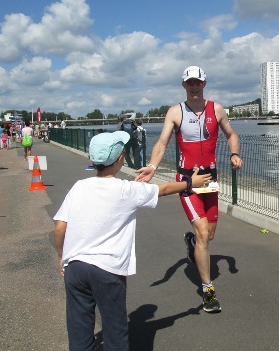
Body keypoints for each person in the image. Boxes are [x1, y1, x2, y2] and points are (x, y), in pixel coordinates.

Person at [53, 131, 211, 351]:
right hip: (107, 269)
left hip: (75, 267)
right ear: (119, 160)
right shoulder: (126, 189)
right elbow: (163, 189)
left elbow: (60, 227)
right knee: (115, 330)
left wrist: (62, 257)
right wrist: (190, 182)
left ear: (93, 161)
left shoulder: (79, 187)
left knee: (79, 328)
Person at [135, 65, 243, 313]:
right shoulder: (175, 112)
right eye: (189, 82)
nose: (194, 86)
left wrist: (235, 153)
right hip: (187, 181)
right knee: (205, 235)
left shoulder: (216, 109)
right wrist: (152, 166)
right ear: (184, 85)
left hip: (210, 180)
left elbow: (231, 134)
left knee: (209, 235)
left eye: (198, 82)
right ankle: (208, 291)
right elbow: (162, 143)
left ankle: (192, 242)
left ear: (204, 83)